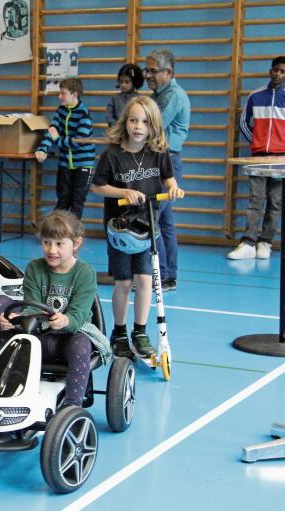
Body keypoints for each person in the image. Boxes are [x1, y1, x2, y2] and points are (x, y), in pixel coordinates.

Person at [90, 96, 184, 358]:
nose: (138, 126)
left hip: (147, 226)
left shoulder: (158, 152)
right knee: (123, 281)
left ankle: (139, 332)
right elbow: (97, 186)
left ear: (153, 126)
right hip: (120, 229)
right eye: (133, 120)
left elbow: (168, 177)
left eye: (144, 122)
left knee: (145, 280)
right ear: (126, 122)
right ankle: (119, 332)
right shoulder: (112, 154)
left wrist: (173, 188)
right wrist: (123, 191)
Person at [0, 210, 108, 408]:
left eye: (59, 244)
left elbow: (79, 315)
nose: (52, 250)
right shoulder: (35, 268)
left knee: (81, 344)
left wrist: (65, 321)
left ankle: (72, 407)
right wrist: (12, 319)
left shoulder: (85, 273)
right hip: (38, 335)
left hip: (70, 337)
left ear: (76, 243)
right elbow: (30, 306)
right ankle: (2, 373)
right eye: (47, 242)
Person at [228, 56, 285, 260]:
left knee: (275, 201)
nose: (278, 74)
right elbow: (243, 123)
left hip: (282, 158)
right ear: (270, 71)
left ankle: (265, 242)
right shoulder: (256, 96)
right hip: (258, 157)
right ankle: (249, 242)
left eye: (283, 71)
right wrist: (257, 142)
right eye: (275, 70)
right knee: (255, 200)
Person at [145, 49, 190, 292]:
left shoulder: (172, 96)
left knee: (153, 219)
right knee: (165, 221)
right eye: (147, 70)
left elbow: (152, 125)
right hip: (159, 160)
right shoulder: (157, 94)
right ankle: (168, 275)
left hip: (166, 162)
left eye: (153, 71)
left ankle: (161, 275)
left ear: (168, 72)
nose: (148, 75)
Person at [35, 77, 96, 218]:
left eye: (63, 93)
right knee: (63, 200)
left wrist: (58, 139)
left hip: (83, 166)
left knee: (77, 202)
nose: (59, 96)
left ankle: (73, 236)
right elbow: (52, 131)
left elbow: (78, 142)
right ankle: (57, 233)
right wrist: (43, 148)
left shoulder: (84, 114)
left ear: (74, 94)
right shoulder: (61, 110)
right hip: (64, 164)